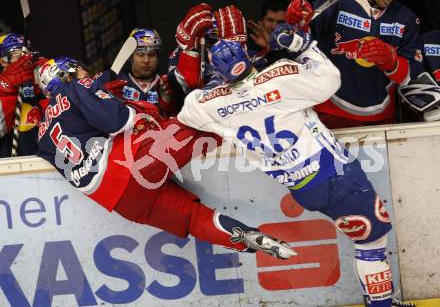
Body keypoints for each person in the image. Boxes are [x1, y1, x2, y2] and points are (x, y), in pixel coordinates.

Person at [177, 23, 414, 306]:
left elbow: (188, 110)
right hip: (336, 178)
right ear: (248, 56)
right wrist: (303, 46)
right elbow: (330, 80)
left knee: (366, 239)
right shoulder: (279, 79)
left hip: (302, 189)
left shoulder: (210, 104)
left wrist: (216, 86)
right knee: (371, 242)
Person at [36, 56, 297, 260]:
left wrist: (103, 95)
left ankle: (247, 238)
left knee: (195, 219)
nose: (88, 74)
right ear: (68, 75)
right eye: (81, 71)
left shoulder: (42, 135)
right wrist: (102, 94)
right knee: (200, 118)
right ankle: (271, 123)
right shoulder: (76, 87)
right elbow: (120, 121)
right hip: (135, 163)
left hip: (121, 202)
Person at [286, 0, 423, 128]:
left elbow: (412, 77)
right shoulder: (334, 1)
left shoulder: (407, 18)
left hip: (381, 119)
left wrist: (392, 63)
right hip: (328, 113)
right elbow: (299, 45)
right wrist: (296, 22)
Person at [95, 28, 177, 116]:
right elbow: (83, 101)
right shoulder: (110, 78)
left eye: (151, 55)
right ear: (130, 57)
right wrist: (104, 98)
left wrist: (167, 104)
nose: (146, 60)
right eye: (140, 54)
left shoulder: (168, 85)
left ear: (158, 59)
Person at [0, 33, 48, 157]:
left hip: (48, 160)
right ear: (3, 61)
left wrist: (48, 75)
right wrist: (6, 90)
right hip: (12, 166)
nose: (24, 58)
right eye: (17, 55)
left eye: (27, 54)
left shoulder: (37, 75)